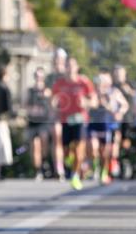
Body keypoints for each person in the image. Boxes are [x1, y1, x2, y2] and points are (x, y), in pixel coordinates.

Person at [51, 56, 96, 191]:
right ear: (65, 68)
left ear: (77, 67)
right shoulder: (60, 83)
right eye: (67, 66)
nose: (70, 68)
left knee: (78, 148)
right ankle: (71, 164)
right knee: (65, 150)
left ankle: (75, 176)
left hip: (80, 119)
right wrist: (54, 106)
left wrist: (86, 103)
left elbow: (94, 101)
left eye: (72, 65)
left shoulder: (84, 82)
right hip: (65, 120)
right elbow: (52, 100)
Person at [87, 72, 128, 184]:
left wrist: (119, 112)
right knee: (94, 148)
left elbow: (125, 104)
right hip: (94, 123)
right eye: (99, 81)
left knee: (106, 151)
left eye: (104, 81)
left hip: (107, 125)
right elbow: (91, 103)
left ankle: (105, 171)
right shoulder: (94, 92)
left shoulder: (114, 92)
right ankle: (95, 169)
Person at [25, 66, 53, 180]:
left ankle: (45, 161)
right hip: (33, 122)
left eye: (41, 76)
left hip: (44, 122)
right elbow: (25, 105)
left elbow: (53, 106)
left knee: (44, 144)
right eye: (37, 76)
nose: (38, 78)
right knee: (35, 146)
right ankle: (38, 170)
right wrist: (31, 110)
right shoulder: (30, 91)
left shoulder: (48, 91)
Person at [46, 48, 68, 181]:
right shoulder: (50, 78)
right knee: (57, 139)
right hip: (57, 114)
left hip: (71, 114)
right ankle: (58, 168)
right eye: (55, 58)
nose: (57, 61)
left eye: (59, 59)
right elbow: (49, 94)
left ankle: (73, 164)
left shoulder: (69, 74)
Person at [111, 64, 136, 179]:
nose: (118, 76)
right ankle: (116, 164)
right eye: (116, 73)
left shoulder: (129, 85)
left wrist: (129, 90)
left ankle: (126, 162)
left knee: (125, 143)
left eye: (120, 73)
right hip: (115, 119)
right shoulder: (112, 86)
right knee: (115, 140)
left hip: (127, 118)